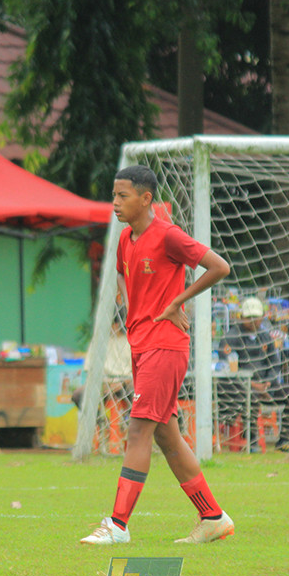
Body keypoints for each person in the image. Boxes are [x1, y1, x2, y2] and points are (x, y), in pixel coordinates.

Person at [80, 165, 233, 545]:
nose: (114, 202)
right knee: (166, 436)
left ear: (146, 199)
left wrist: (178, 299)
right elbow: (121, 271)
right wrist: (128, 296)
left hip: (165, 346)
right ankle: (213, 517)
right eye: (113, 195)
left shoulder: (168, 235)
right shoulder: (126, 239)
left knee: (138, 430)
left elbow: (219, 267)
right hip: (141, 344)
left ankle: (117, 525)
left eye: (122, 196)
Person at [218, 297, 289, 450]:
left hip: (265, 385)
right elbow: (227, 369)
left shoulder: (265, 336)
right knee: (251, 398)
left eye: (256, 317)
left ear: (262, 316)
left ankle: (284, 441)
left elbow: (275, 363)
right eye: (249, 317)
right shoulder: (231, 337)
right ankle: (252, 442)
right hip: (240, 388)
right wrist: (252, 385)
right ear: (241, 317)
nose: (252, 320)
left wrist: (267, 383)